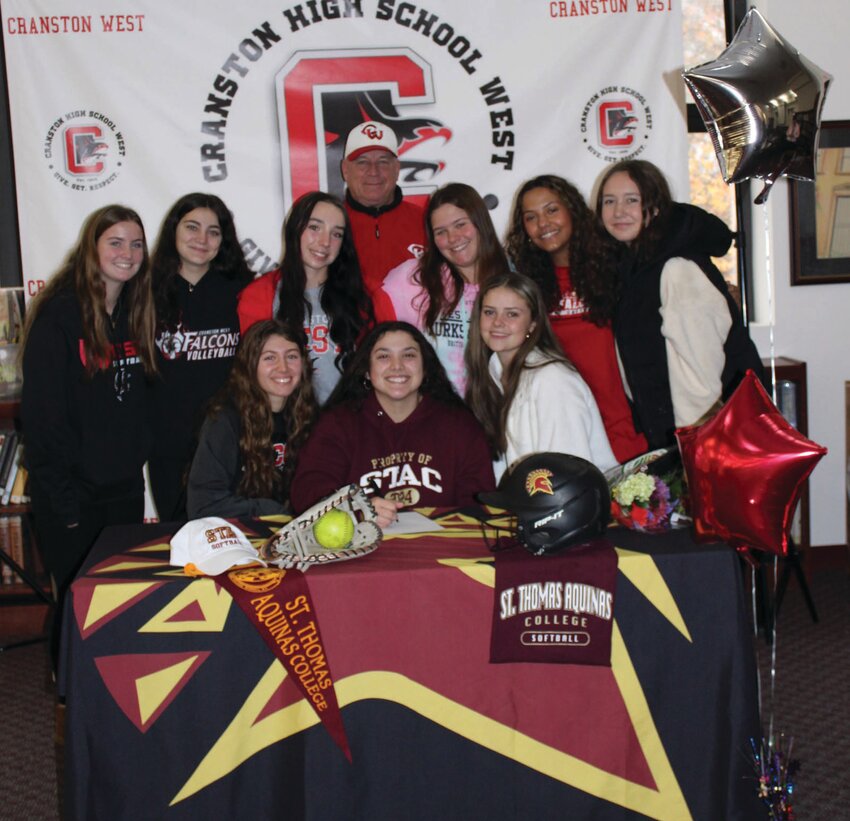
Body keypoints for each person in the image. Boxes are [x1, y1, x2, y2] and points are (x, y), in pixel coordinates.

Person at [21, 205, 157, 601]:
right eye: (115, 243)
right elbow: (42, 419)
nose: (127, 254)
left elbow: (141, 403)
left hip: (125, 493)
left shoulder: (138, 312)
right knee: (77, 607)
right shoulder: (59, 315)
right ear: (90, 249)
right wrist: (64, 503)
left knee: (119, 606)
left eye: (136, 245)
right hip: (72, 497)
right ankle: (58, 669)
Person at [595, 159, 763, 449]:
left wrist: (694, 457)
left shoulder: (677, 269)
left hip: (710, 439)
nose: (618, 211)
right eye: (609, 201)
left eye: (632, 200)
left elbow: (700, 382)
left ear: (656, 207)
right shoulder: (634, 267)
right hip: (676, 436)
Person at [291, 321, 495, 527]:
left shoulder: (460, 425)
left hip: (440, 550)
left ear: (425, 368)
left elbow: (478, 501)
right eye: (383, 356)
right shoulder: (338, 424)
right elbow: (307, 490)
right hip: (361, 548)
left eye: (408, 355)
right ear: (367, 372)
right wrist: (354, 509)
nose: (397, 366)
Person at [505, 174, 647, 463]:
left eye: (552, 210)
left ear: (572, 210)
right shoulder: (526, 288)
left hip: (627, 431)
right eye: (531, 217)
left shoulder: (617, 268)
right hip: (567, 433)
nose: (543, 223)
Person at [149, 192, 252, 521]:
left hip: (230, 438)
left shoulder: (244, 290)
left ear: (224, 240)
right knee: (178, 540)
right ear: (173, 231)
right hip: (168, 442)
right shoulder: (145, 291)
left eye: (214, 231)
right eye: (192, 227)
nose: (202, 239)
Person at [465, 272, 618, 482]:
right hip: (524, 505)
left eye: (512, 314)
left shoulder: (552, 380)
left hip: (570, 506)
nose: (497, 323)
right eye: (490, 312)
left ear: (533, 324)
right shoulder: (491, 374)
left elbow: (566, 476)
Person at [237, 191, 374, 404]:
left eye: (336, 234)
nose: (325, 242)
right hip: (286, 422)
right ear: (295, 229)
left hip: (348, 421)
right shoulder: (259, 295)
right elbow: (253, 371)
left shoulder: (363, 295)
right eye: (314, 228)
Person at [378, 183, 510, 395]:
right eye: (441, 232)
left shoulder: (512, 280)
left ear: (480, 222)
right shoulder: (412, 280)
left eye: (460, 225)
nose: (453, 238)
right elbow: (379, 349)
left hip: (499, 416)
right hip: (436, 417)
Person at [186, 319, 318, 519]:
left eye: (291, 356)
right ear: (250, 364)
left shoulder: (310, 415)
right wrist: (275, 511)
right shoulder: (224, 419)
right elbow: (204, 505)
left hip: (287, 535)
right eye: (269, 358)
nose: (283, 368)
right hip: (232, 536)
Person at [341, 120, 426, 295]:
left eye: (383, 162)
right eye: (362, 162)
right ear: (345, 170)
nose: (373, 171)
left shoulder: (427, 222)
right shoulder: (329, 227)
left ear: (397, 168)